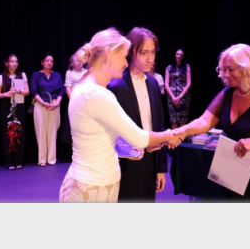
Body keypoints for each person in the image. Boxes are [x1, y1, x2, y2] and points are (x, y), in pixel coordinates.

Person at [59, 28, 182, 203]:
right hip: (93, 187)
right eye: (124, 56)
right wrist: (170, 135)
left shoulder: (84, 87)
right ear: (108, 55)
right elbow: (139, 137)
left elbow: (100, 139)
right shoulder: (98, 94)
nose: (125, 63)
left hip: (88, 183)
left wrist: (127, 150)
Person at [174, 44, 250, 201]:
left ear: (248, 68)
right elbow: (205, 121)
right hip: (235, 171)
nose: (225, 74)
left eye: (231, 69)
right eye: (223, 69)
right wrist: (180, 131)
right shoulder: (229, 92)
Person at [107, 27, 168, 202]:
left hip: (150, 164)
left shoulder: (154, 84)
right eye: (144, 53)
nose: (150, 59)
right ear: (131, 52)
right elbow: (111, 133)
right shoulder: (116, 86)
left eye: (153, 52)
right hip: (126, 167)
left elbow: (159, 126)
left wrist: (161, 168)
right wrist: (137, 148)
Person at [30, 53, 65, 166]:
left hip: (54, 104)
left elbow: (61, 90)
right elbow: (33, 91)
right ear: (42, 62)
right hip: (41, 104)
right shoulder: (36, 75)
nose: (49, 63)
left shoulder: (57, 75)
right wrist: (42, 103)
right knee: (41, 131)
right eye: (47, 61)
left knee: (53, 132)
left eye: (51, 61)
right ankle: (42, 159)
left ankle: (51, 159)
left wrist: (57, 102)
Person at [0, 54, 30, 169]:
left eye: (16, 61)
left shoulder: (22, 75)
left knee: (19, 133)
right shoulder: (1, 77)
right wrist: (7, 94)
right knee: (7, 134)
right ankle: (9, 162)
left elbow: (27, 92)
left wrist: (18, 90)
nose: (14, 64)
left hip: (19, 106)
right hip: (6, 107)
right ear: (7, 63)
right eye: (12, 61)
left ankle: (19, 160)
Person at [60, 52, 88, 161]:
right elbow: (68, 89)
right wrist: (75, 101)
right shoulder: (69, 73)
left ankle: (85, 153)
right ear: (72, 63)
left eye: (81, 60)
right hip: (74, 103)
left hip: (86, 103)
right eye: (77, 60)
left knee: (84, 127)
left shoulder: (86, 72)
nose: (79, 62)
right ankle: (75, 155)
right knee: (74, 129)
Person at [165, 48, 191, 129]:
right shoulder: (169, 68)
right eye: (177, 54)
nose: (179, 56)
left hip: (183, 98)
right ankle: (174, 138)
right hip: (172, 98)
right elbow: (166, 85)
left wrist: (179, 97)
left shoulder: (186, 67)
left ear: (183, 57)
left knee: (182, 120)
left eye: (181, 55)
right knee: (174, 120)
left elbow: (189, 84)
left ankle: (182, 137)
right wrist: (174, 98)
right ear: (175, 55)